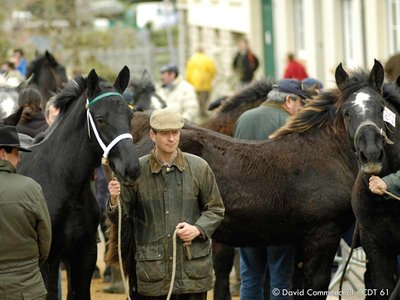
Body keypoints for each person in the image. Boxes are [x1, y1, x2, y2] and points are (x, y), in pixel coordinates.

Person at [107, 108, 225, 299]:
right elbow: (120, 218)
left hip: (192, 273)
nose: (171, 138)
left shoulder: (199, 167)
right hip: (153, 274)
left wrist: (198, 229)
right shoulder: (137, 171)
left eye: (175, 133)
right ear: (153, 135)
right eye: (165, 133)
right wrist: (113, 200)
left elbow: (216, 209)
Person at [233, 79, 308, 300]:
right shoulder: (290, 122)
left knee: (251, 279)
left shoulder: (244, 118)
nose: (301, 109)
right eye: (300, 103)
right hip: (278, 214)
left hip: (245, 212)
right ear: (288, 100)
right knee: (280, 280)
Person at [0, 125, 52, 299]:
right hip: (26, 286)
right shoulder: (31, 188)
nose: (19, 159)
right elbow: (45, 239)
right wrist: (29, 265)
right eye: (16, 152)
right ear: (2, 153)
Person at [185, 48, 217, 118]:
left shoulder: (191, 60)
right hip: (205, 83)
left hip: (194, 83)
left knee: (197, 99)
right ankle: (203, 113)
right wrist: (210, 78)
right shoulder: (207, 59)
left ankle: (199, 113)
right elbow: (213, 71)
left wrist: (189, 82)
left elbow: (188, 72)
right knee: (204, 99)